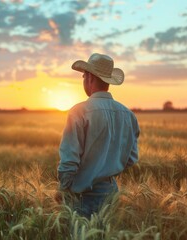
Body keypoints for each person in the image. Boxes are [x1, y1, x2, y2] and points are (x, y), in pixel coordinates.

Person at [57, 53, 140, 219]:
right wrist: (107, 165)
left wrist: (62, 189)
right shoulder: (128, 114)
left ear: (89, 77)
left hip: (82, 198)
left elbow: (69, 162)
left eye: (83, 75)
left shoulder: (79, 112)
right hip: (111, 195)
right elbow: (131, 159)